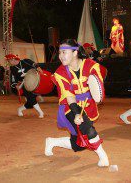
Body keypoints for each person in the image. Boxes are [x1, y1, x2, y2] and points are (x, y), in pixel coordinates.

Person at [44, 39, 109, 167]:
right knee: (89, 130)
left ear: (75, 52)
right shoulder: (60, 72)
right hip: (70, 107)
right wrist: (76, 113)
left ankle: (51, 142)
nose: (60, 56)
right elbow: (69, 96)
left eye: (64, 52)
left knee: (78, 145)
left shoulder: (91, 65)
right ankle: (103, 157)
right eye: (60, 53)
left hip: (88, 104)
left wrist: (96, 89)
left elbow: (99, 84)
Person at [6, 54, 44, 118]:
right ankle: (41, 112)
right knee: (31, 98)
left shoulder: (25, 61)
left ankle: (19, 109)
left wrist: (38, 68)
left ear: (13, 59)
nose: (9, 63)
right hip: (25, 84)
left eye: (9, 61)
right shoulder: (12, 68)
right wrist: (16, 85)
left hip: (34, 81)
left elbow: (34, 64)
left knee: (30, 103)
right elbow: (13, 79)